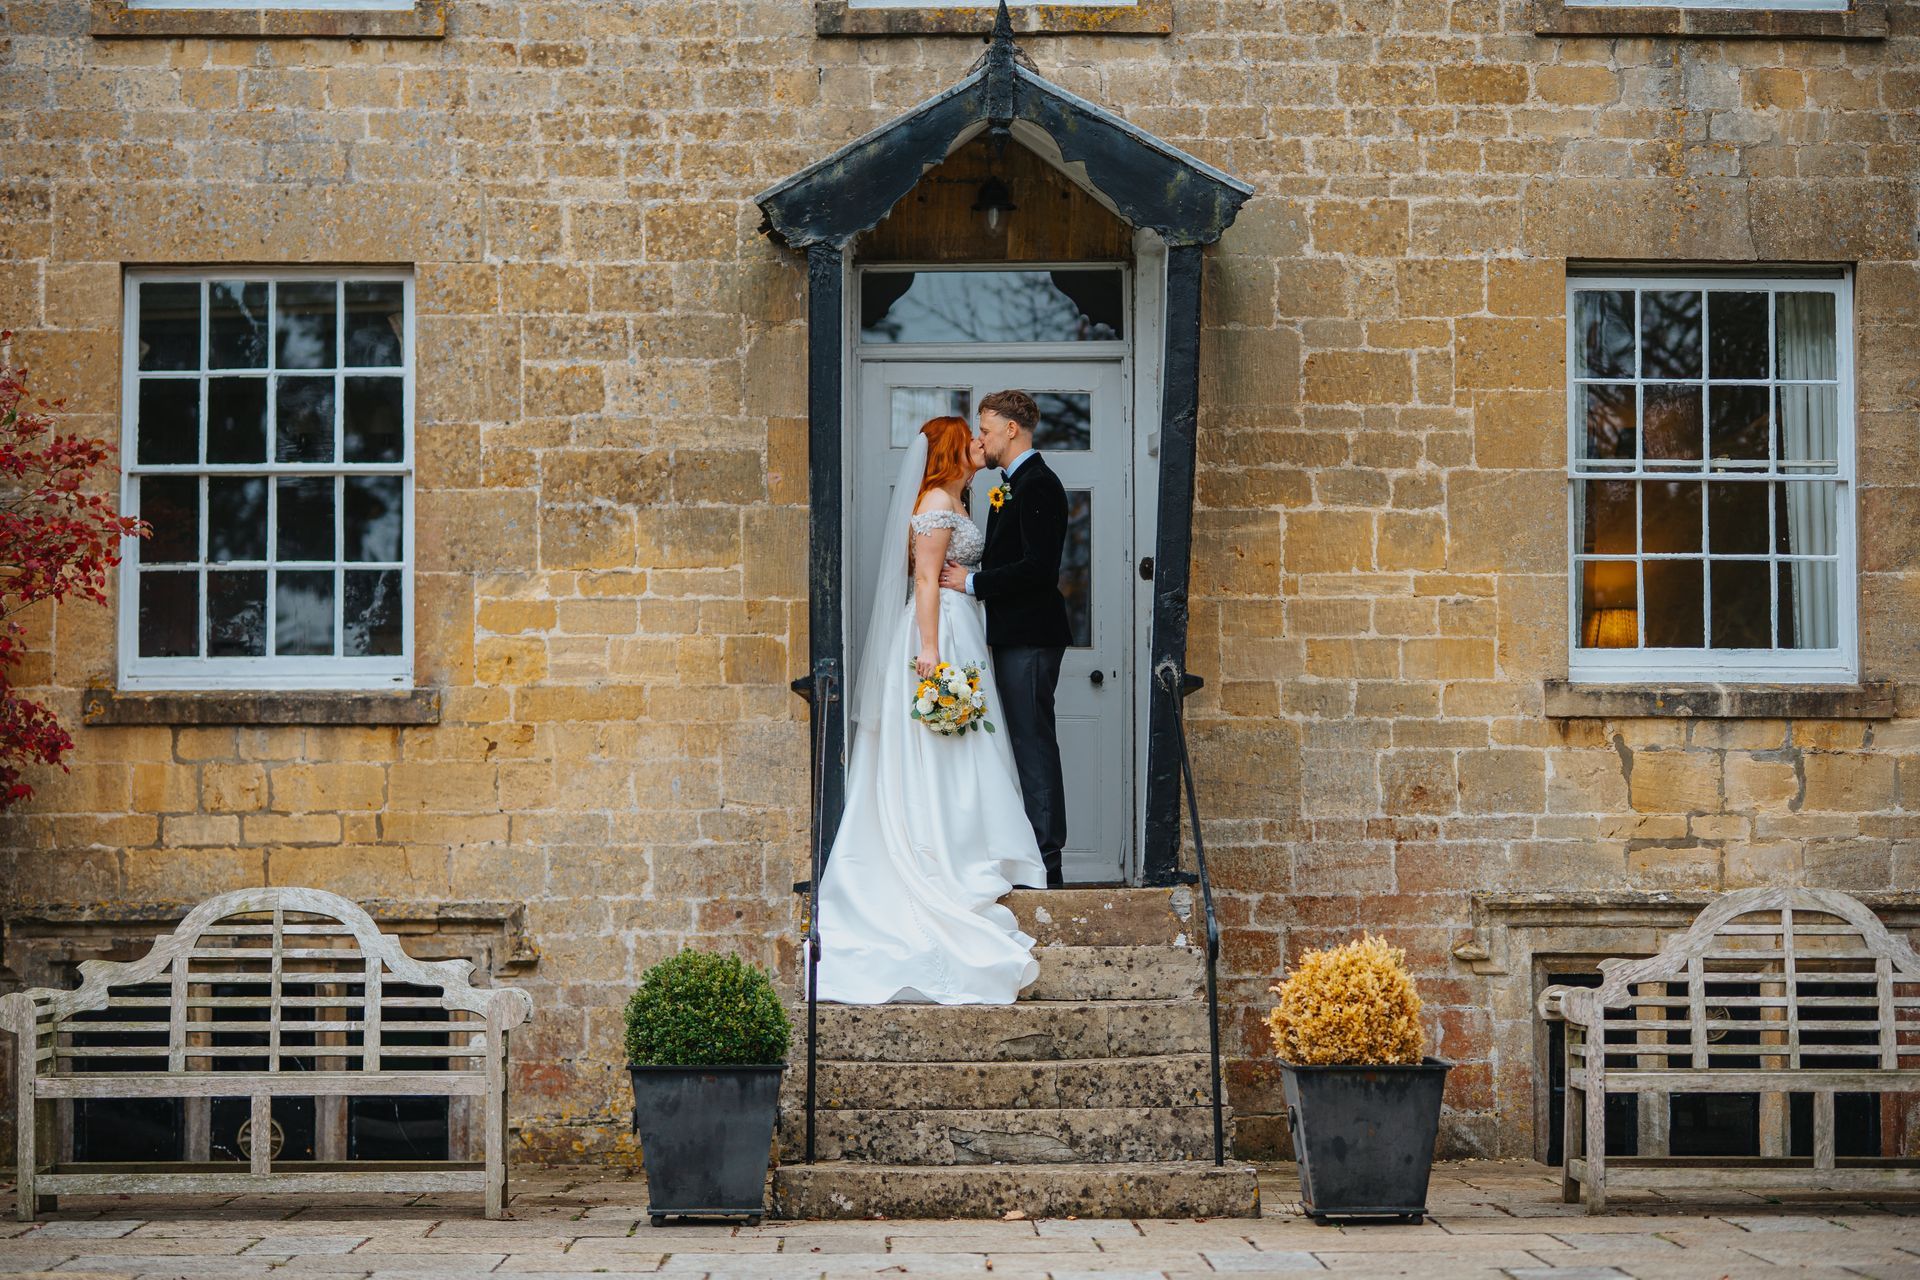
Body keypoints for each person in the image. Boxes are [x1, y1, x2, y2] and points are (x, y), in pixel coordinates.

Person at [811, 415, 1047, 1005]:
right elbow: (923, 579)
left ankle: (969, 843)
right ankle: (940, 850)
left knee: (966, 744)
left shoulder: (961, 499)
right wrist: (931, 651)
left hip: (962, 628)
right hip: (936, 636)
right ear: (948, 448)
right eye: (968, 436)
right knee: (937, 744)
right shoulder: (937, 502)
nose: (977, 443)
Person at [939, 389, 1071, 889]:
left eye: (988, 430)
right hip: (1014, 634)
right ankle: (1033, 848)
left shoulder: (1038, 485)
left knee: (1033, 742)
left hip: (1033, 635)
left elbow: (1039, 569)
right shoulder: (1011, 485)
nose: (983, 439)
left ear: (1011, 429)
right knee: (1021, 740)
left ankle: (1046, 856)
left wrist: (971, 583)